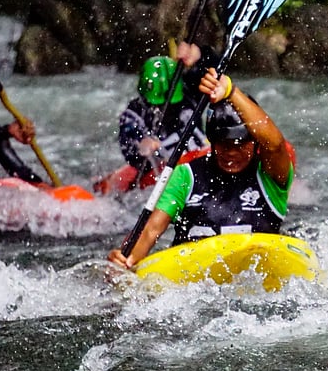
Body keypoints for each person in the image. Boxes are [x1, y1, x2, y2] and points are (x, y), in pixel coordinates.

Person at [109, 43, 296, 268]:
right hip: (197, 286)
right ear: (212, 142)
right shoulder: (185, 175)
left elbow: (275, 145)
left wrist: (231, 91)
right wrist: (124, 261)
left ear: (255, 144)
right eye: (224, 145)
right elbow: (151, 230)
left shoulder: (270, 176)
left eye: (240, 145)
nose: (231, 153)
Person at [117, 53, 210, 180]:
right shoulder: (134, 112)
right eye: (156, 105)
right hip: (159, 169)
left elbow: (217, 69)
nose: (163, 109)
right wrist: (141, 145)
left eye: (171, 105)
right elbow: (129, 144)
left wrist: (200, 55)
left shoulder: (190, 94)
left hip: (197, 156)